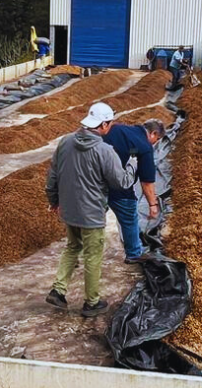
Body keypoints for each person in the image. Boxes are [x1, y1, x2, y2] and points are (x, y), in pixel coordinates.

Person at [45, 102, 133, 317]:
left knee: (73, 246)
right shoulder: (104, 150)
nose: (111, 126)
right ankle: (92, 302)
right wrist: (132, 164)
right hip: (91, 213)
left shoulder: (65, 142)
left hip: (69, 209)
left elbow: (52, 176)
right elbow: (121, 182)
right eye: (110, 123)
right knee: (93, 255)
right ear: (103, 124)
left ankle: (58, 289)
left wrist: (54, 200)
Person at [103, 118, 165, 263]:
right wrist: (152, 205)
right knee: (129, 217)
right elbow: (147, 181)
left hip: (96, 184)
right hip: (119, 186)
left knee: (90, 220)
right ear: (153, 133)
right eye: (157, 139)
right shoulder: (144, 146)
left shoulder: (116, 128)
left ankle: (75, 254)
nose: (156, 143)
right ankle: (134, 254)